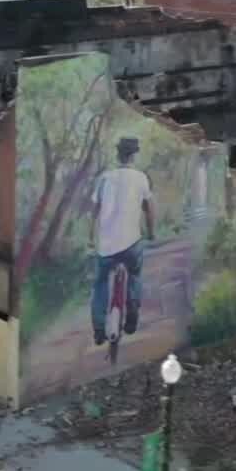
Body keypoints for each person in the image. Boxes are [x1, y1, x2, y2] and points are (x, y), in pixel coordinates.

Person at [90, 137, 155, 346]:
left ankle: (99, 329)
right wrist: (151, 232)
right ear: (134, 155)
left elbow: (94, 211)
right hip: (131, 244)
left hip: (106, 246)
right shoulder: (141, 178)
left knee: (100, 283)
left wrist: (92, 237)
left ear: (118, 154)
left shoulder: (104, 178)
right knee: (134, 274)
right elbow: (149, 208)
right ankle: (132, 312)